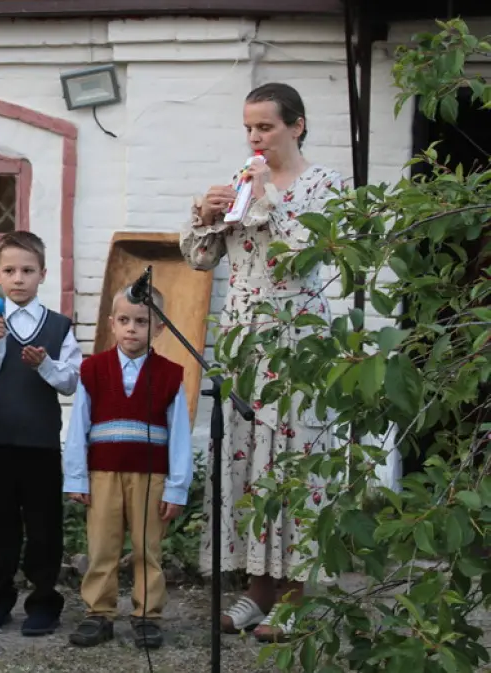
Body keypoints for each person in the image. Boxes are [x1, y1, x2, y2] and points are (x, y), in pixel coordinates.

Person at [181, 82, 341, 642]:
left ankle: (296, 594)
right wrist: (205, 214)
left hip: (299, 344)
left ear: (296, 125)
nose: (255, 137)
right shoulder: (242, 182)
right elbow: (201, 260)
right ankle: (257, 590)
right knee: (246, 465)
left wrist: (269, 204)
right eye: (249, 127)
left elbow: (312, 254)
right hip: (244, 344)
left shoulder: (323, 183)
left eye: (266, 127)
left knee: (295, 463)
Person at [0, 230, 81, 637]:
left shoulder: (60, 326)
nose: (19, 278)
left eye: (27, 270)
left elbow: (70, 382)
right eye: (10, 270)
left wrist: (45, 365)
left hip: (42, 444)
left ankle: (44, 602)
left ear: (43, 274)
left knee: (44, 526)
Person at [62, 287, 192, 650]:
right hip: (102, 474)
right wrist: (76, 476)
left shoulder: (169, 375)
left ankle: (147, 616)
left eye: (141, 321)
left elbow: (180, 434)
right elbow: (79, 427)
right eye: (124, 321)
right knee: (102, 545)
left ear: (159, 328)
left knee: (146, 547)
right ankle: (98, 614)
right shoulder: (93, 369)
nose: (131, 329)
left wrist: (177, 487)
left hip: (151, 476)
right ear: (111, 324)